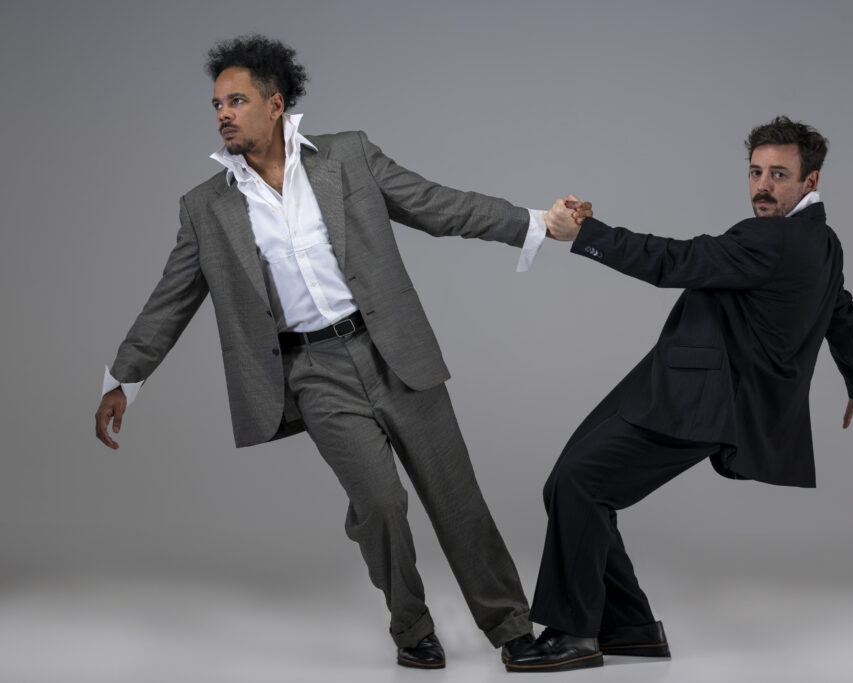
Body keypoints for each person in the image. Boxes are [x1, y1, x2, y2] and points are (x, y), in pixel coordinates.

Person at [92, 34, 590, 670]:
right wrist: (124, 379)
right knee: (379, 504)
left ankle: (514, 633)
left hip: (393, 350)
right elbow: (170, 300)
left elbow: (437, 205)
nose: (222, 114)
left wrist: (538, 222)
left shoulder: (348, 156)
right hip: (312, 372)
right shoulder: (206, 208)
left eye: (236, 101)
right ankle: (412, 629)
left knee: (456, 497)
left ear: (275, 104)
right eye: (217, 104)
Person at [505, 116, 853, 673]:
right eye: (756, 172)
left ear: (809, 182)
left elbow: (675, 260)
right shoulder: (823, 243)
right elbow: (842, 313)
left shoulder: (773, 240)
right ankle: (631, 628)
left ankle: (575, 634)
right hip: (682, 385)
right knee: (570, 485)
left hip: (700, 401)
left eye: (779, 175)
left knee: (579, 483)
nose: (762, 186)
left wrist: (585, 234)